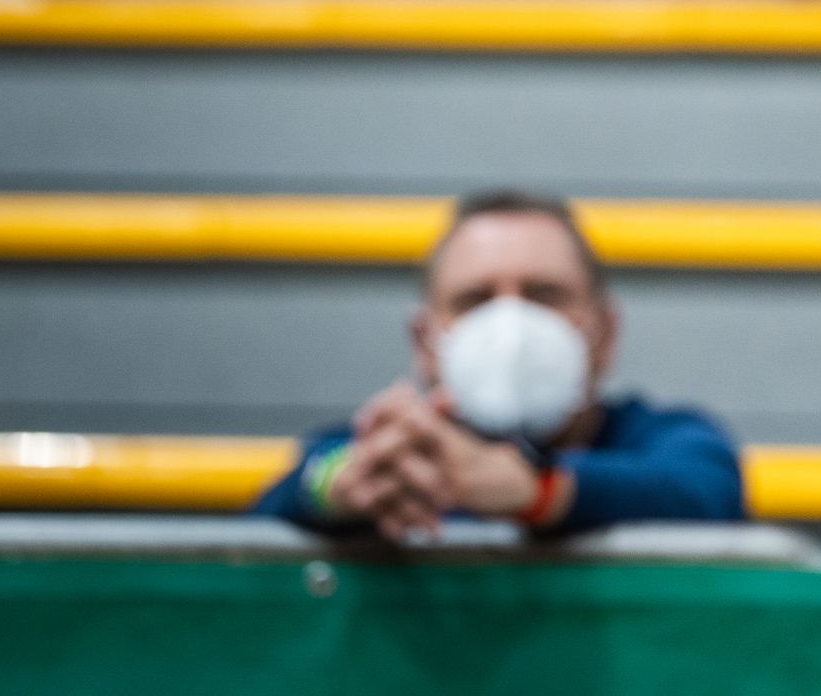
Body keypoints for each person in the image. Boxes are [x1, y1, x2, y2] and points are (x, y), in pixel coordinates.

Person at [254, 191, 743, 539]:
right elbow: (273, 511)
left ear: (605, 331)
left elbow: (704, 493)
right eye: (474, 300)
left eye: (544, 295)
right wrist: (346, 483)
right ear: (425, 340)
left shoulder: (665, 439)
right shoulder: (393, 455)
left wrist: (535, 490)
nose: (509, 324)